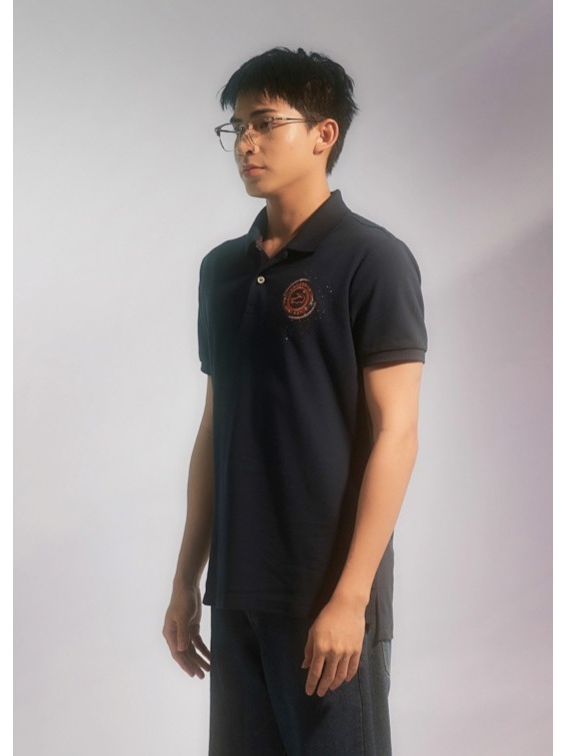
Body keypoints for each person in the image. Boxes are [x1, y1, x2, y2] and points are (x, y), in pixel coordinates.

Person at [163, 47, 428, 755]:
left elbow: (397, 434)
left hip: (325, 597)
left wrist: (352, 597)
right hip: (237, 592)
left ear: (322, 134)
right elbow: (215, 428)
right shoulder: (222, 270)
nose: (245, 143)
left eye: (265, 123)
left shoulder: (372, 259)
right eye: (237, 127)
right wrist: (187, 579)